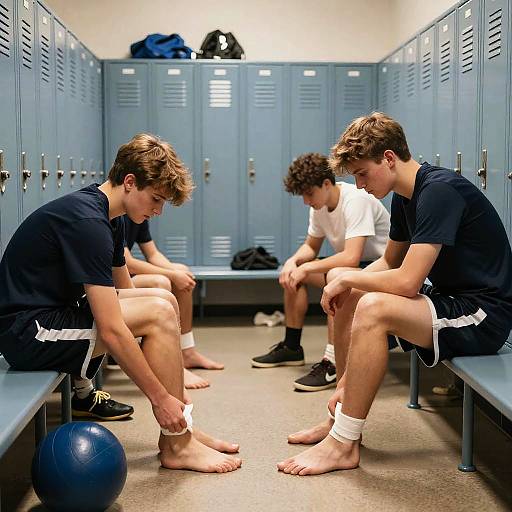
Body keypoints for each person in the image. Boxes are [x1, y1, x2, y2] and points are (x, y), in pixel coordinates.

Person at [278, 112, 512, 475]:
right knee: (351, 290)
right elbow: (389, 261)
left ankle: (343, 445)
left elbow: (406, 282)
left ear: (388, 158)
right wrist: (343, 281)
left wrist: (348, 281)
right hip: (451, 299)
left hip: (483, 315)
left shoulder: (439, 191)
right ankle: (340, 418)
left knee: (370, 305)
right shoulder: (406, 195)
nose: (358, 184)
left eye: (362, 173)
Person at [0, 133, 241, 473]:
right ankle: (177, 442)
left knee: (163, 300)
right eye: (155, 199)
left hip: (52, 315)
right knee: (158, 312)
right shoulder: (88, 222)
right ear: (130, 182)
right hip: (29, 332)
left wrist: (168, 368)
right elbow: (113, 330)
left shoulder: (107, 218)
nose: (157, 211)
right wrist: (161, 399)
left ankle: (181, 430)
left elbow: (125, 295)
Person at [251, 152, 390, 392]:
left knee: (337, 276)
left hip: (381, 269)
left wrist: (308, 266)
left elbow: (351, 256)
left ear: (326, 184)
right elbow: (311, 246)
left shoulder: (356, 199)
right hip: (354, 268)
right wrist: (294, 262)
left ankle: (333, 362)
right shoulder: (320, 205)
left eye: (309, 193)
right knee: (295, 274)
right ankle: (292, 348)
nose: (306, 201)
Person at [117, 215, 223, 389]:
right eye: (156, 199)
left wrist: (177, 272)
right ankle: (170, 364)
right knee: (162, 282)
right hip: (114, 281)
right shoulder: (120, 215)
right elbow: (127, 263)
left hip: (129, 276)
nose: (157, 210)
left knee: (182, 271)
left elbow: (152, 254)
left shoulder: (139, 215)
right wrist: (171, 275)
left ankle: (187, 351)